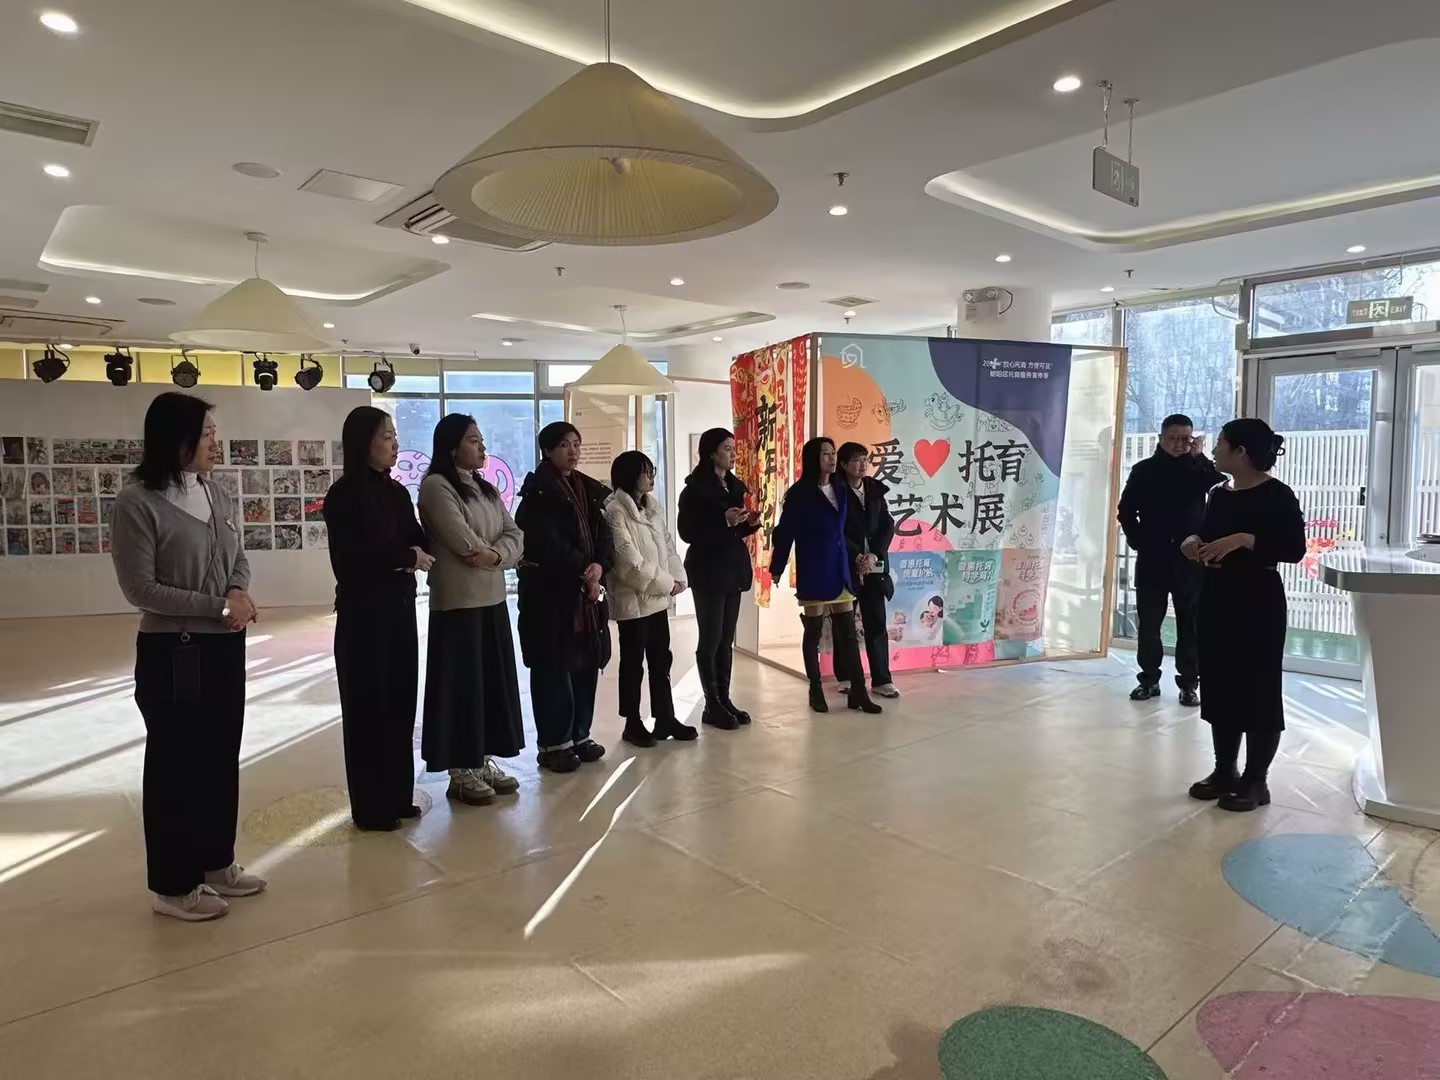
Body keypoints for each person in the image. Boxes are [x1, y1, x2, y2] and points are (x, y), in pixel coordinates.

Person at [111, 392, 262, 922]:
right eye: (206, 434)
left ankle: (216, 862)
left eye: (214, 433)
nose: (215, 443)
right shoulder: (137, 502)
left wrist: (237, 592)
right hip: (174, 651)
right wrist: (217, 606)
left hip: (224, 646)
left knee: (220, 756)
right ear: (175, 439)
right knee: (176, 767)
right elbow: (140, 588)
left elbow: (237, 556)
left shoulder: (214, 491)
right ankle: (174, 886)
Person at [1181, 418, 1306, 813]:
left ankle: (1256, 779)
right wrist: (1193, 542)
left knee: (1257, 687)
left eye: (1221, 443)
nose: (1213, 450)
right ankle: (1225, 771)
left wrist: (1245, 540)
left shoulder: (1277, 495)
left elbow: (1294, 549)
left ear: (1242, 452)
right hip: (1217, 596)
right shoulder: (1218, 493)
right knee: (1220, 683)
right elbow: (1205, 534)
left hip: (1258, 600)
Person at [323, 407, 433, 831]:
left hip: (399, 610)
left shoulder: (396, 492)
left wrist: (410, 553)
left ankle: (398, 795)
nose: (395, 443)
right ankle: (371, 807)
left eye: (394, 435)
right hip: (363, 616)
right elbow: (354, 558)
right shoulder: (344, 495)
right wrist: (406, 556)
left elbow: (417, 538)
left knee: (400, 703)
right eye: (387, 436)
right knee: (367, 708)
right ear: (363, 441)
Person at [418, 415, 526, 806]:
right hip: (458, 603)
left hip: (492, 598)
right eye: (473, 440)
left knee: (489, 686)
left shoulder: (485, 487)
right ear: (451, 447)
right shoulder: (436, 486)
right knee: (461, 687)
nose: (482, 447)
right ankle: (460, 770)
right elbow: (464, 543)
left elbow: (516, 535)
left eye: (482, 440)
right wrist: (497, 554)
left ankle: (480, 760)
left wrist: (496, 555)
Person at [514, 422, 613, 773]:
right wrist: (584, 572)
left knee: (585, 663)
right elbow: (546, 544)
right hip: (552, 596)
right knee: (554, 667)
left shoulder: (588, 489)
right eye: (564, 445)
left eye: (576, 444)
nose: (573, 452)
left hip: (586, 593)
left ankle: (580, 735)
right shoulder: (537, 494)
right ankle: (554, 744)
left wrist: (599, 566)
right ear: (547, 451)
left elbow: (604, 536)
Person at [1117, 413, 1224, 706]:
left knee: (1191, 625)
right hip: (1152, 558)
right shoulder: (1144, 470)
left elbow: (1221, 486)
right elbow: (1126, 511)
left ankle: (1189, 684)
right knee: (1149, 625)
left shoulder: (1199, 469)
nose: (1179, 444)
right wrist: (1139, 541)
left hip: (1191, 560)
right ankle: (1148, 680)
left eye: (1185, 439)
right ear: (1160, 439)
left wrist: (1200, 458)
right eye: (1173, 438)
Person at [770, 437, 881, 716]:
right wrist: (777, 566)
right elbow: (785, 532)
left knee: (848, 633)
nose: (832, 459)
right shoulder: (799, 494)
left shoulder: (840, 488)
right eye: (826, 454)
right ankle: (815, 688)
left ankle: (859, 691)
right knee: (814, 632)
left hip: (840, 569)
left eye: (833, 453)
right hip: (814, 569)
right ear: (813, 459)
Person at [603, 450, 692, 747]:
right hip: (632, 603)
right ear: (630, 475)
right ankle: (632, 723)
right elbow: (629, 564)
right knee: (632, 665)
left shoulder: (652, 508)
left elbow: (667, 546)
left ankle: (665, 717)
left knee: (661, 660)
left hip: (656, 601)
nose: (651, 476)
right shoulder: (615, 511)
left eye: (652, 470)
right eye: (645, 471)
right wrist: (667, 584)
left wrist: (677, 577)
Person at [677, 428, 760, 730]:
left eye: (734, 448)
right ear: (712, 452)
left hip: (732, 568)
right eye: (727, 448)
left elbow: (733, 532)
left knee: (726, 639)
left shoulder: (734, 486)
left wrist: (748, 523)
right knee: (710, 639)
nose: (733, 454)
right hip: (708, 569)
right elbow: (688, 532)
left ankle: (723, 699)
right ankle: (711, 704)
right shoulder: (694, 490)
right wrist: (723, 519)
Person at [837, 441, 899, 699]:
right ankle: (846, 676)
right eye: (856, 460)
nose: (862, 464)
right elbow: (836, 529)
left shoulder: (874, 489)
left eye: (865, 459)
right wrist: (857, 556)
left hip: (874, 566)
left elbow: (887, 524)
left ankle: (882, 679)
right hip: (847, 566)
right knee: (845, 625)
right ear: (843, 464)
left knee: (876, 623)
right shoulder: (836, 491)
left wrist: (873, 554)